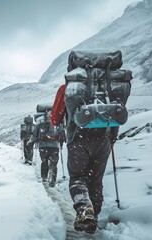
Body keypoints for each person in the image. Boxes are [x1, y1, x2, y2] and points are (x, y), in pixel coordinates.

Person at [50, 84, 118, 234]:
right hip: (103, 139)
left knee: (77, 177)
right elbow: (117, 111)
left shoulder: (68, 87)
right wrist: (112, 137)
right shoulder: (109, 82)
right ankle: (93, 218)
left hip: (78, 139)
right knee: (95, 180)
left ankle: (84, 208)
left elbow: (55, 118)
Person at [27, 111, 60, 187]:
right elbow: (61, 133)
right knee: (53, 163)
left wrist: (30, 142)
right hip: (54, 146)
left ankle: (44, 178)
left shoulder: (39, 125)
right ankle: (52, 179)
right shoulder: (57, 124)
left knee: (44, 162)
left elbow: (34, 136)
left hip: (43, 146)